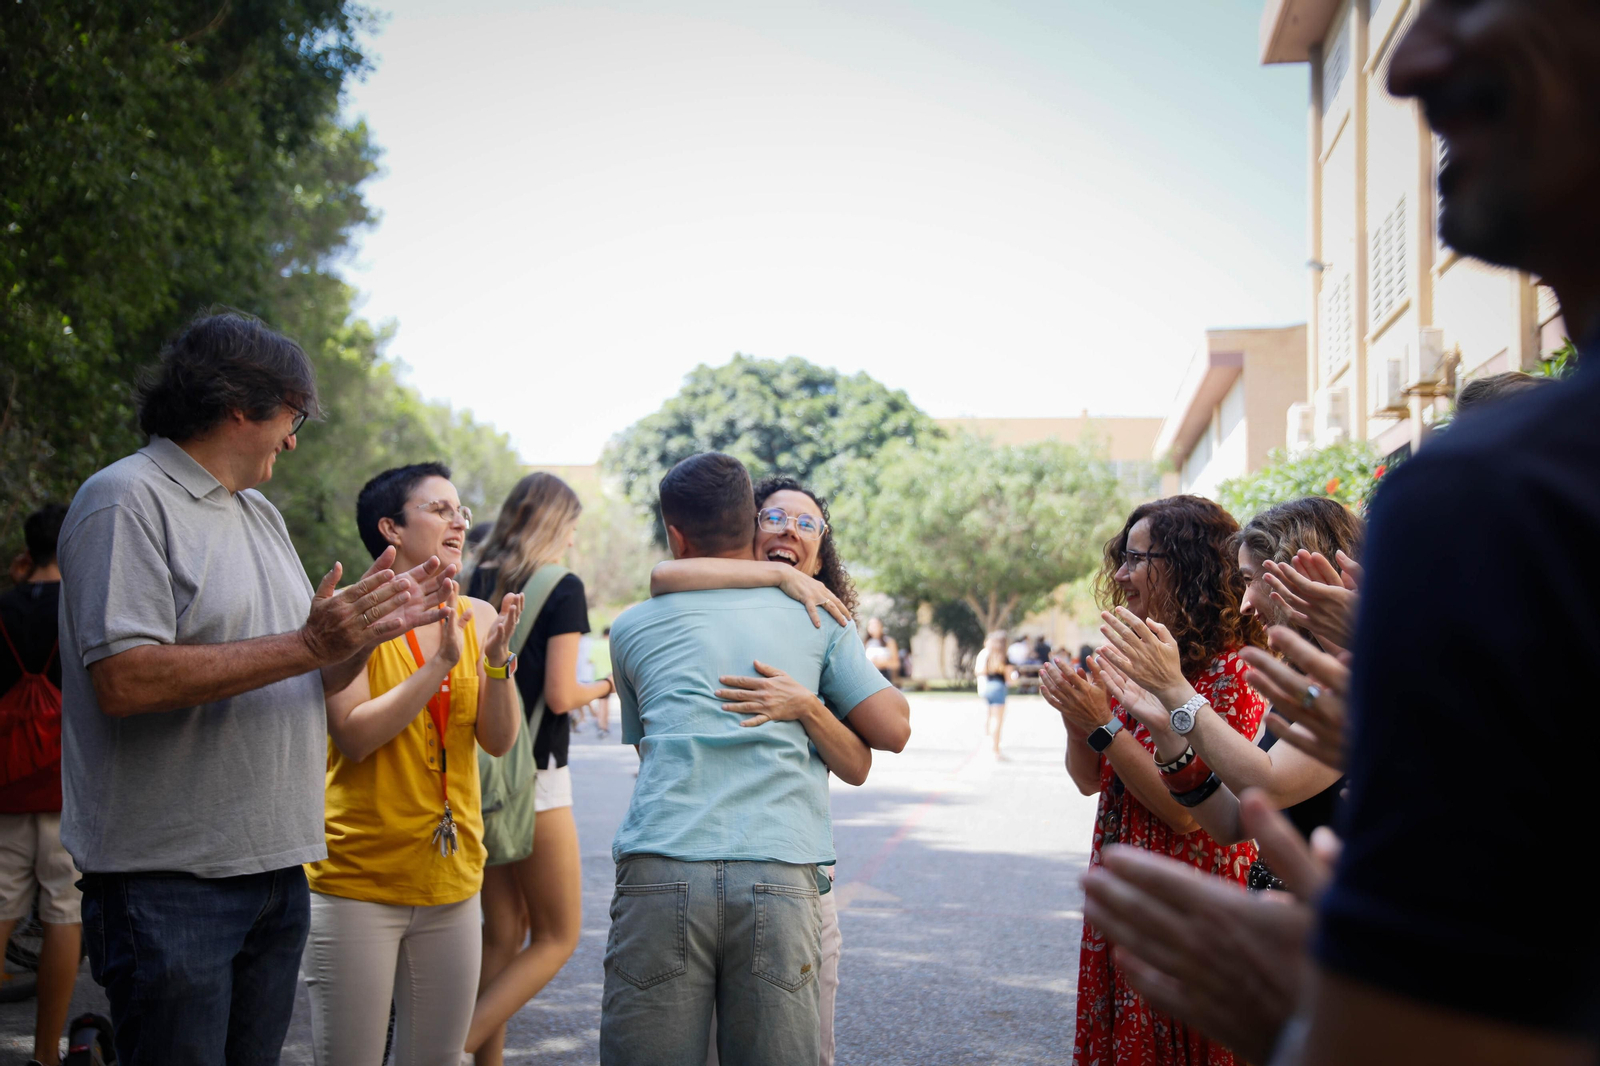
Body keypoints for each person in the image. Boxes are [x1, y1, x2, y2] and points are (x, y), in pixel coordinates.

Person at [1083, 5, 1600, 1062]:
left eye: (1478, 5)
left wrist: (1305, 1014)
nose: (1408, 60)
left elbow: (1452, 1009)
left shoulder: (1496, 498)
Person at [54, 312, 454, 1066]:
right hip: (170, 885)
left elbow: (299, 666)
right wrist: (308, 641)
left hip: (275, 872)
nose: (293, 439)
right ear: (240, 405)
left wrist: (354, 637)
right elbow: (125, 679)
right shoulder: (124, 499)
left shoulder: (261, 514)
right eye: (292, 417)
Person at [601, 453, 909, 1066]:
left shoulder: (630, 628)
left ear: (675, 532)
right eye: (776, 517)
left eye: (808, 524)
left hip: (663, 864)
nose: (791, 531)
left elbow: (646, 749)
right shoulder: (820, 619)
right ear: (750, 526)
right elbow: (893, 732)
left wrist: (808, 709)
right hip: (780, 869)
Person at [299, 463, 523, 1065]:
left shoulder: (476, 615)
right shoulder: (351, 615)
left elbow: (499, 742)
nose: (458, 522)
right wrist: (437, 667)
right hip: (358, 880)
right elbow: (352, 736)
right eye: (439, 509)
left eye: (461, 511)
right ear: (390, 529)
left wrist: (498, 663)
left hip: (452, 877)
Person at [1038, 495, 1266, 1066]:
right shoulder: (1141, 657)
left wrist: (1102, 722)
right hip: (1130, 881)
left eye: (1137, 559)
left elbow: (1188, 812)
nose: (1121, 575)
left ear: (1187, 567)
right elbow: (1090, 781)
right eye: (1122, 558)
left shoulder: (1232, 669)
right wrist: (1079, 719)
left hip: (1187, 892)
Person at [1088, 499, 1362, 887]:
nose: (1246, 602)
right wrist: (1166, 729)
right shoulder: (1306, 674)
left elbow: (1267, 784)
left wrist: (1174, 692)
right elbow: (1233, 821)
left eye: (1250, 580)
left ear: (1294, 574)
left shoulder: (1361, 678)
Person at [464, 472, 613, 1066]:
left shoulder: (473, 576)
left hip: (481, 772)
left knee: (501, 933)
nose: (574, 540)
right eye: (572, 526)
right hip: (538, 778)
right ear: (554, 525)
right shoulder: (563, 586)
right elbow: (558, 696)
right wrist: (607, 683)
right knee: (557, 935)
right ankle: (448, 1049)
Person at [0, 504, 79, 1066]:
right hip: (64, 783)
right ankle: (47, 1054)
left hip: (5, 780)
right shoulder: (81, 607)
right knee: (63, 913)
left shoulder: (2, 606)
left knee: (1, 902)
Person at [975, 632, 1016, 755]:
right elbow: (1009, 679)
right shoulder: (1004, 658)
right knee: (998, 719)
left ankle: (988, 739)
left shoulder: (989, 656)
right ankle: (995, 747)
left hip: (988, 686)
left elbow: (982, 671)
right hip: (999, 687)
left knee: (990, 716)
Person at [862, 616, 900, 684]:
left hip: (884, 676)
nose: (874, 627)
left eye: (876, 624)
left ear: (881, 626)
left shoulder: (889, 642)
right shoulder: (865, 643)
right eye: (871, 625)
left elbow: (896, 664)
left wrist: (881, 663)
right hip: (869, 678)